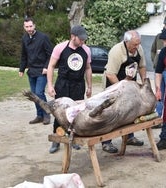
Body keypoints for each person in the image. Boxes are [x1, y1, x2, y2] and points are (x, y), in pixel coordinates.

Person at [46, 25, 92, 153]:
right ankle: (56, 140)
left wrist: (89, 86)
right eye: (80, 39)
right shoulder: (60, 48)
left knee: (76, 112)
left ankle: (74, 139)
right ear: (73, 37)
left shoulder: (86, 50)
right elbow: (51, 66)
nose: (83, 42)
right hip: (63, 83)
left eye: (84, 39)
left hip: (78, 84)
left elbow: (88, 68)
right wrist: (50, 85)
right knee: (59, 113)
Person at [101, 30, 147, 153]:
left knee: (130, 110)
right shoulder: (116, 51)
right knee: (111, 112)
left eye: (138, 44)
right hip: (114, 84)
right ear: (126, 42)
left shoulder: (139, 48)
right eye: (134, 45)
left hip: (130, 84)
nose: (137, 47)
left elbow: (142, 66)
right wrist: (121, 90)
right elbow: (110, 74)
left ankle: (129, 137)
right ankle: (106, 142)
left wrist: (144, 82)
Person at [19, 17, 52, 125]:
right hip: (31, 70)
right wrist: (22, 69)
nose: (29, 28)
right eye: (27, 27)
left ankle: (47, 114)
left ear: (34, 25)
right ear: (24, 27)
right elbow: (24, 55)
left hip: (42, 71)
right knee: (33, 94)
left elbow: (50, 54)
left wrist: (46, 67)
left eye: (30, 26)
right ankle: (39, 115)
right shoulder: (24, 38)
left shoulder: (43, 37)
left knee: (39, 92)